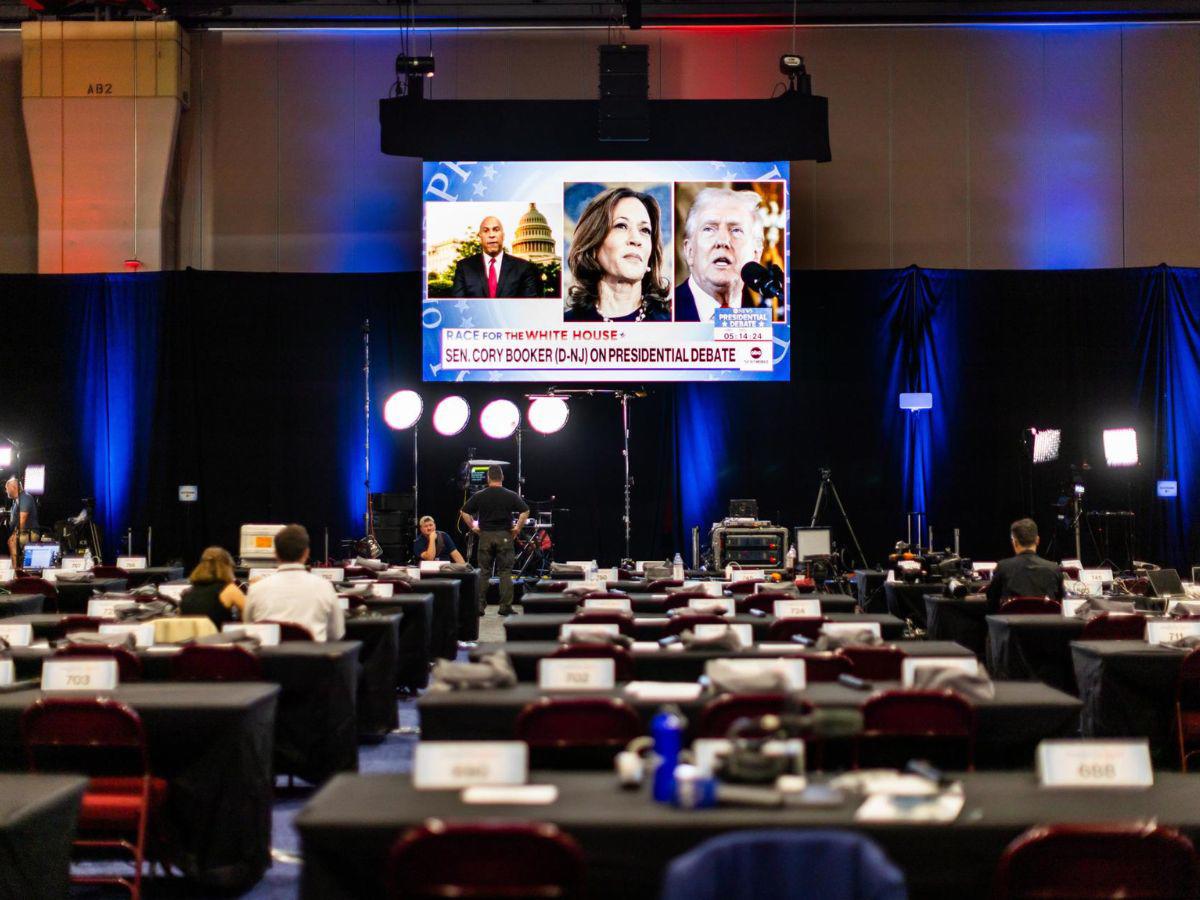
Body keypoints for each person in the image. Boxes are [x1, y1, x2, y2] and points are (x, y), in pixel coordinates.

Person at [564, 186, 671, 322]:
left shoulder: (673, 322)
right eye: (621, 226)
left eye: (645, 230)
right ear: (593, 244)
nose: (636, 240)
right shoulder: (568, 323)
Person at [674, 187, 766, 322]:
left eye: (736, 230)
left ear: (756, 254)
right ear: (689, 251)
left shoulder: (766, 322)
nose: (722, 241)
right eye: (709, 229)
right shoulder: (659, 316)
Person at [245, 524, 345, 641]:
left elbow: (249, 630)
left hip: (268, 652)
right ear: (306, 553)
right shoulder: (325, 587)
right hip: (313, 652)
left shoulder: (256, 589)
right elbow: (336, 634)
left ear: (275, 553)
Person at [459, 466, 529, 616]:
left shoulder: (480, 495)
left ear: (488, 478)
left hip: (485, 536)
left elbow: (464, 512)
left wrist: (474, 527)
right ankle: (505, 607)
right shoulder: (510, 495)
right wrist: (517, 528)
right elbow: (525, 511)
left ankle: (479, 606)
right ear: (502, 477)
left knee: (484, 571)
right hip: (505, 536)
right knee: (505, 572)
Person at [985, 518, 1065, 612]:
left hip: (1011, 621)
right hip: (1046, 621)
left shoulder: (1003, 567)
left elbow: (991, 602)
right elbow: (1061, 603)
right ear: (1037, 540)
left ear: (1014, 542)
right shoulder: (1054, 569)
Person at [451, 216, 541, 298]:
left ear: (503, 235)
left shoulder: (524, 268)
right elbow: (458, 304)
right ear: (480, 236)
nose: (491, 235)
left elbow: (528, 306)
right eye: (486, 231)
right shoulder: (464, 267)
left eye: (496, 230)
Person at [180, 546, 247, 628]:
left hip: (191, 636)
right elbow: (250, 613)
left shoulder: (187, 593)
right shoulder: (229, 590)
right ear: (227, 566)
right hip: (218, 635)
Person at [5, 477, 39, 569]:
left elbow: (23, 518)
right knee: (10, 540)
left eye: (7, 488)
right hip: (23, 532)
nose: (6, 491)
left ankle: (16, 569)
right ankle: (16, 568)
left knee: (12, 541)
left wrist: (15, 535)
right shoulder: (16, 500)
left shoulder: (25, 497)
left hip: (30, 533)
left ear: (13, 487)